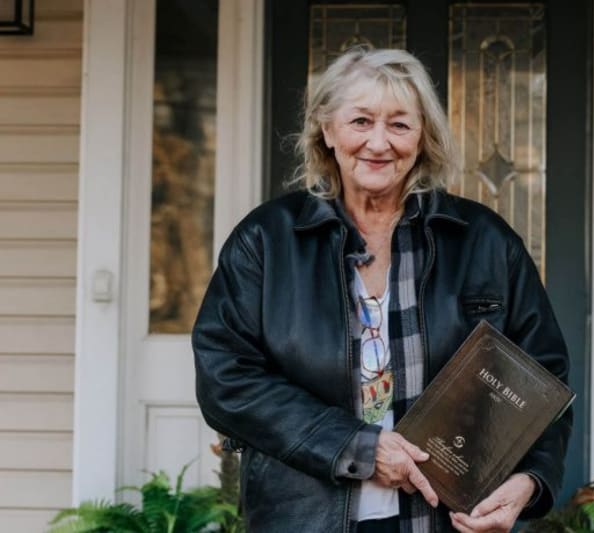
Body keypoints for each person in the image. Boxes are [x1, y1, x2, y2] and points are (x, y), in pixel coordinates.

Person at [192, 47, 571, 533]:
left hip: (445, 522)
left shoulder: (484, 241)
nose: (378, 142)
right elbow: (225, 379)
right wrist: (359, 447)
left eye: (399, 124)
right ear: (327, 130)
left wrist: (529, 481)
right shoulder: (266, 242)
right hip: (304, 519)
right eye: (361, 121)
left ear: (422, 137)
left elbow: (543, 379)